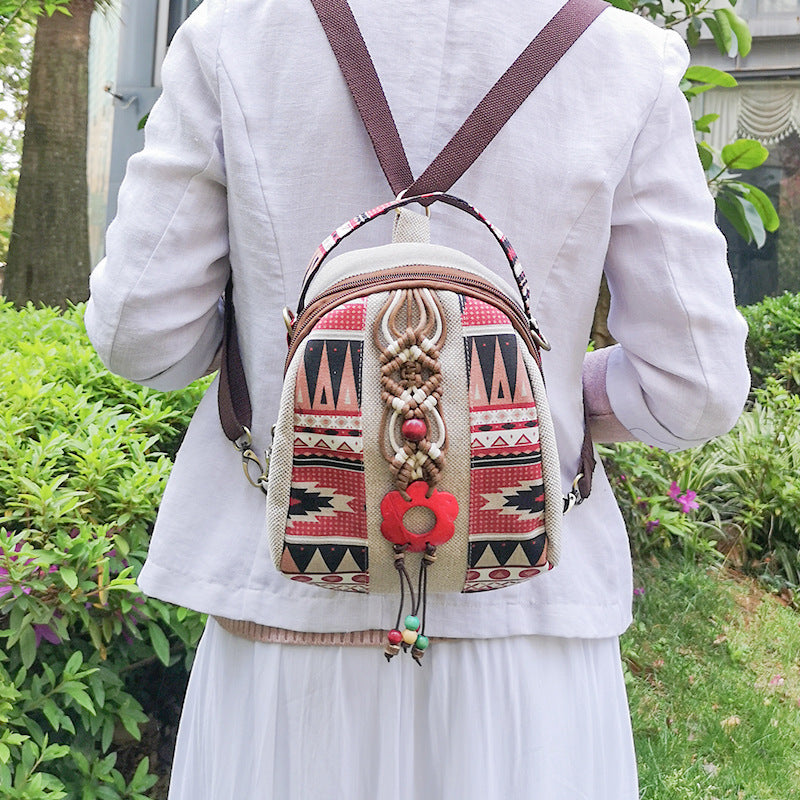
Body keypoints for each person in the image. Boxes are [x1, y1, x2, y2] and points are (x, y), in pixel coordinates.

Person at [84, 0, 750, 797]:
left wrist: (290, 373)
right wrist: (510, 407)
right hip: (527, 621)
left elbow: (141, 334)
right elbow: (698, 388)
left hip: (286, 612)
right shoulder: (624, 56)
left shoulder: (234, 32)